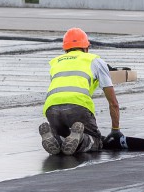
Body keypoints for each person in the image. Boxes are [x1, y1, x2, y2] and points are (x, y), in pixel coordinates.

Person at [39, 27, 122, 155]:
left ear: (65, 49)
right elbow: (113, 103)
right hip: (78, 107)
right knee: (96, 141)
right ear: (86, 48)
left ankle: (55, 137)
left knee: (64, 138)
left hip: (51, 108)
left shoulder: (55, 62)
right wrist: (115, 131)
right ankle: (82, 139)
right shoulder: (94, 60)